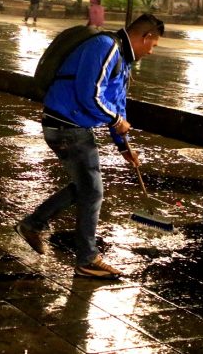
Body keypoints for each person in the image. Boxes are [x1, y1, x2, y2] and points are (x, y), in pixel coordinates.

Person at [14, 14, 164, 279]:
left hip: (73, 124)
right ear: (147, 36)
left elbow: (116, 102)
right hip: (66, 124)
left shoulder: (123, 59)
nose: (152, 52)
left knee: (85, 186)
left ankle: (33, 224)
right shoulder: (105, 46)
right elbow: (89, 94)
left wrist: (123, 146)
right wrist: (116, 121)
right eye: (153, 46)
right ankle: (87, 258)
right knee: (92, 191)